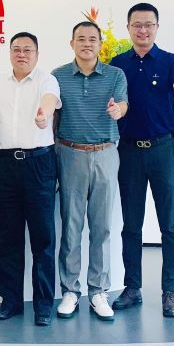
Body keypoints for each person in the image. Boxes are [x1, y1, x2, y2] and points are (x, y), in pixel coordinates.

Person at [109, 2, 174, 318]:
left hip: (163, 150)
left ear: (157, 27)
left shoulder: (170, 61)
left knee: (170, 224)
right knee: (131, 224)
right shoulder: (118, 64)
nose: (143, 30)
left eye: (148, 25)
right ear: (128, 28)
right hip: (128, 151)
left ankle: (170, 292)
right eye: (137, 25)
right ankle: (132, 287)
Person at [0, 32, 61, 326]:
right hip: (6, 164)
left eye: (28, 50)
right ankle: (11, 301)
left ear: (37, 54)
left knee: (43, 239)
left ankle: (43, 306)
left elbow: (49, 102)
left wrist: (44, 115)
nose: (22, 54)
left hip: (39, 164)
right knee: (8, 238)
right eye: (16, 49)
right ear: (10, 53)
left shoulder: (46, 80)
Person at [51, 21, 127, 322]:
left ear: (100, 44)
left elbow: (123, 104)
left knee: (102, 226)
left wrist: (118, 110)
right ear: (71, 43)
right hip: (70, 154)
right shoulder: (58, 76)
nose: (86, 44)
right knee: (71, 226)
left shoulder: (115, 74)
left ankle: (98, 291)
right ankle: (70, 290)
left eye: (92, 39)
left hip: (106, 153)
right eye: (80, 39)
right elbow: (54, 117)